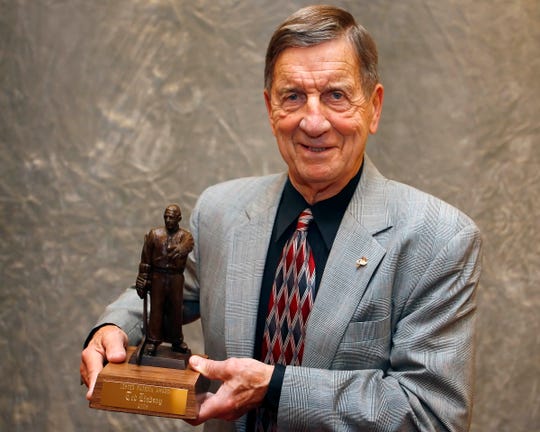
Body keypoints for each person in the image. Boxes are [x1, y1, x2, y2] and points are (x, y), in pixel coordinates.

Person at [80, 5, 482, 432]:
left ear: (374, 108)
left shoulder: (440, 240)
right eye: (293, 97)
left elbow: (431, 416)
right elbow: (168, 289)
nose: (313, 121)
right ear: (270, 109)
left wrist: (275, 387)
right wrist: (113, 327)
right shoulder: (220, 211)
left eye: (336, 96)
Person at [134, 204, 194, 355]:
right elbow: (146, 259)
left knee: (175, 310)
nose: (168, 220)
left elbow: (189, 244)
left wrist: (181, 249)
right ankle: (153, 341)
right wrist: (143, 277)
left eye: (172, 217)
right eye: (166, 216)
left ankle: (176, 340)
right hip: (157, 277)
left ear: (179, 219)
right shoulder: (154, 234)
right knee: (157, 309)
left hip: (176, 277)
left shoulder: (184, 236)